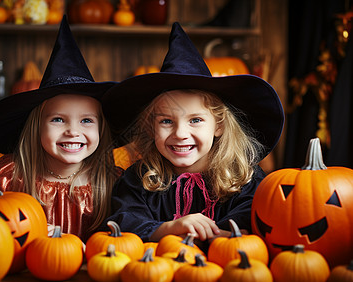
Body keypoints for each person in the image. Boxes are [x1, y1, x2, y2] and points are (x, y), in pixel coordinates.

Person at [99, 22, 284, 249]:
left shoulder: (243, 177)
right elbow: (124, 221)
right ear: (151, 127)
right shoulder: (138, 179)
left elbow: (252, 215)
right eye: (166, 121)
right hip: (157, 275)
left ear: (219, 126)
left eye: (195, 120)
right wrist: (169, 229)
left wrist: (211, 233)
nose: (180, 134)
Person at [0, 16, 119, 242]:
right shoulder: (12, 176)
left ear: (102, 129)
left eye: (86, 121)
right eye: (58, 120)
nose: (73, 131)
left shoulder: (113, 182)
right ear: (37, 126)